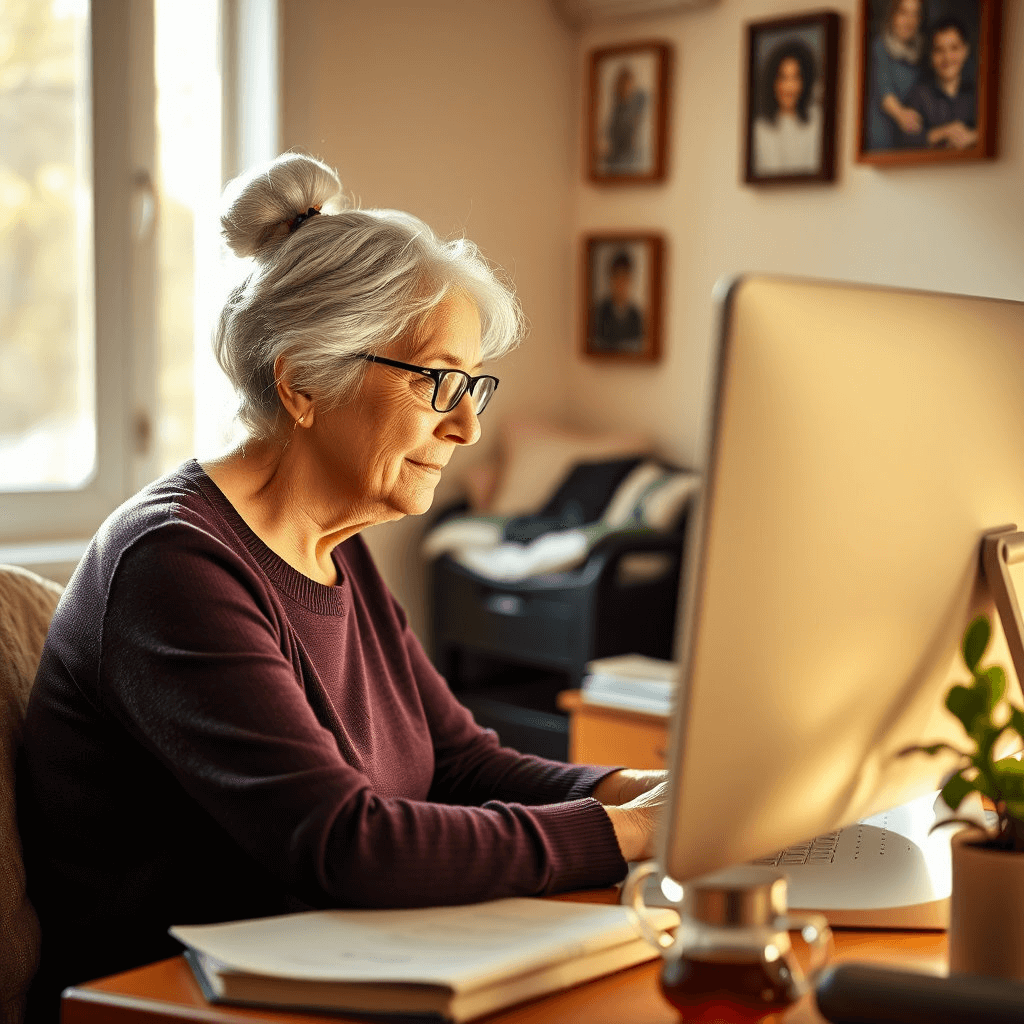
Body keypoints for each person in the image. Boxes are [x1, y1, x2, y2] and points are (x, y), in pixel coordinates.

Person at [17, 153, 667, 1019]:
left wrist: (630, 791)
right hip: (174, 1001)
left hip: (340, 965)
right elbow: (342, 844)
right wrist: (625, 837)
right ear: (304, 383)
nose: (468, 424)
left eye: (473, 384)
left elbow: (460, 762)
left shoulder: (334, 542)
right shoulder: (174, 564)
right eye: (439, 380)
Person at [905, 17, 978, 150]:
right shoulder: (919, 95)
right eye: (939, 50)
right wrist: (945, 132)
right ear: (931, 55)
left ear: (965, 51)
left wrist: (973, 136)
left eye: (954, 48)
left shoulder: (978, 94)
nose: (947, 57)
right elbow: (906, 140)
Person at [751, 39, 822, 176]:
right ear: (772, 81)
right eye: (783, 78)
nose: (789, 87)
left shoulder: (817, 120)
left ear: (805, 81)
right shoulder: (759, 129)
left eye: (795, 78)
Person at [865, 0, 927, 151]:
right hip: (881, 135)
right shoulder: (880, 47)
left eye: (915, 14)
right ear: (892, 16)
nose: (909, 21)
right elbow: (885, 92)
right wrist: (901, 114)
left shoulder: (922, 51)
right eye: (903, 13)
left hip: (907, 139)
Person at [589, 249, 645, 352]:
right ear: (611, 279)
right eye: (617, 277)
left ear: (630, 280)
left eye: (624, 278)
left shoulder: (636, 315)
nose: (621, 284)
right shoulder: (599, 312)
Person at [602, 65, 647, 175]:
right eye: (622, 85)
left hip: (630, 157)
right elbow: (610, 133)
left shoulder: (639, 100)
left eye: (629, 83)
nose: (627, 88)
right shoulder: (617, 110)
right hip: (616, 159)